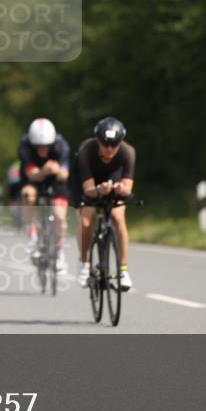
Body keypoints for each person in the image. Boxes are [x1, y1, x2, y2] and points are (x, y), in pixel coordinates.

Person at [73, 117, 135, 291]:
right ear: (97, 141)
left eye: (114, 145)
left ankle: (123, 270)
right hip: (89, 181)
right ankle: (84, 263)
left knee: (117, 217)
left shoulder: (128, 152)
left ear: (120, 143)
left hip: (113, 178)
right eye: (105, 144)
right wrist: (99, 189)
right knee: (87, 221)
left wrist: (121, 188)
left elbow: (128, 189)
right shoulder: (86, 149)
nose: (109, 149)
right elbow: (88, 190)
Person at [18, 118, 71, 277]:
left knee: (59, 216)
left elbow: (65, 175)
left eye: (46, 146)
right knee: (28, 196)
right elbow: (31, 174)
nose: (42, 150)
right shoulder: (25, 146)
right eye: (39, 147)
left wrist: (56, 170)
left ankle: (59, 253)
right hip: (34, 177)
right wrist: (43, 171)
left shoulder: (61, 146)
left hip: (56, 180)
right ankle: (33, 238)